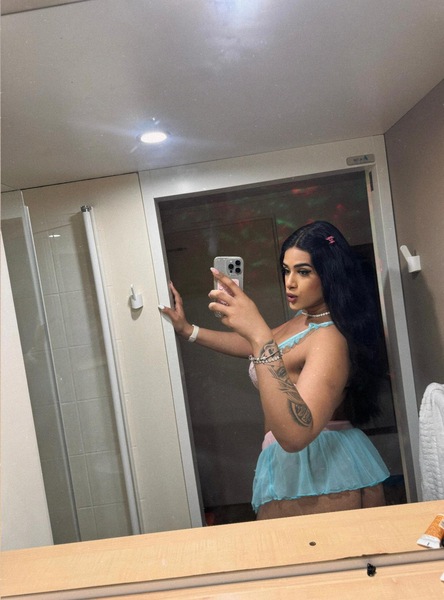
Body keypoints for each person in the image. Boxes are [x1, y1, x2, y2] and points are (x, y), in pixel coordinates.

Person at [159, 221, 390, 520]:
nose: (290, 282)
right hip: (295, 463)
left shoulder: (330, 337)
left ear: (330, 274)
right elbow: (258, 346)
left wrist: (258, 332)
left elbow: (296, 435)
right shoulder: (305, 320)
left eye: (303, 272)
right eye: (286, 270)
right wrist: (189, 330)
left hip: (323, 466)